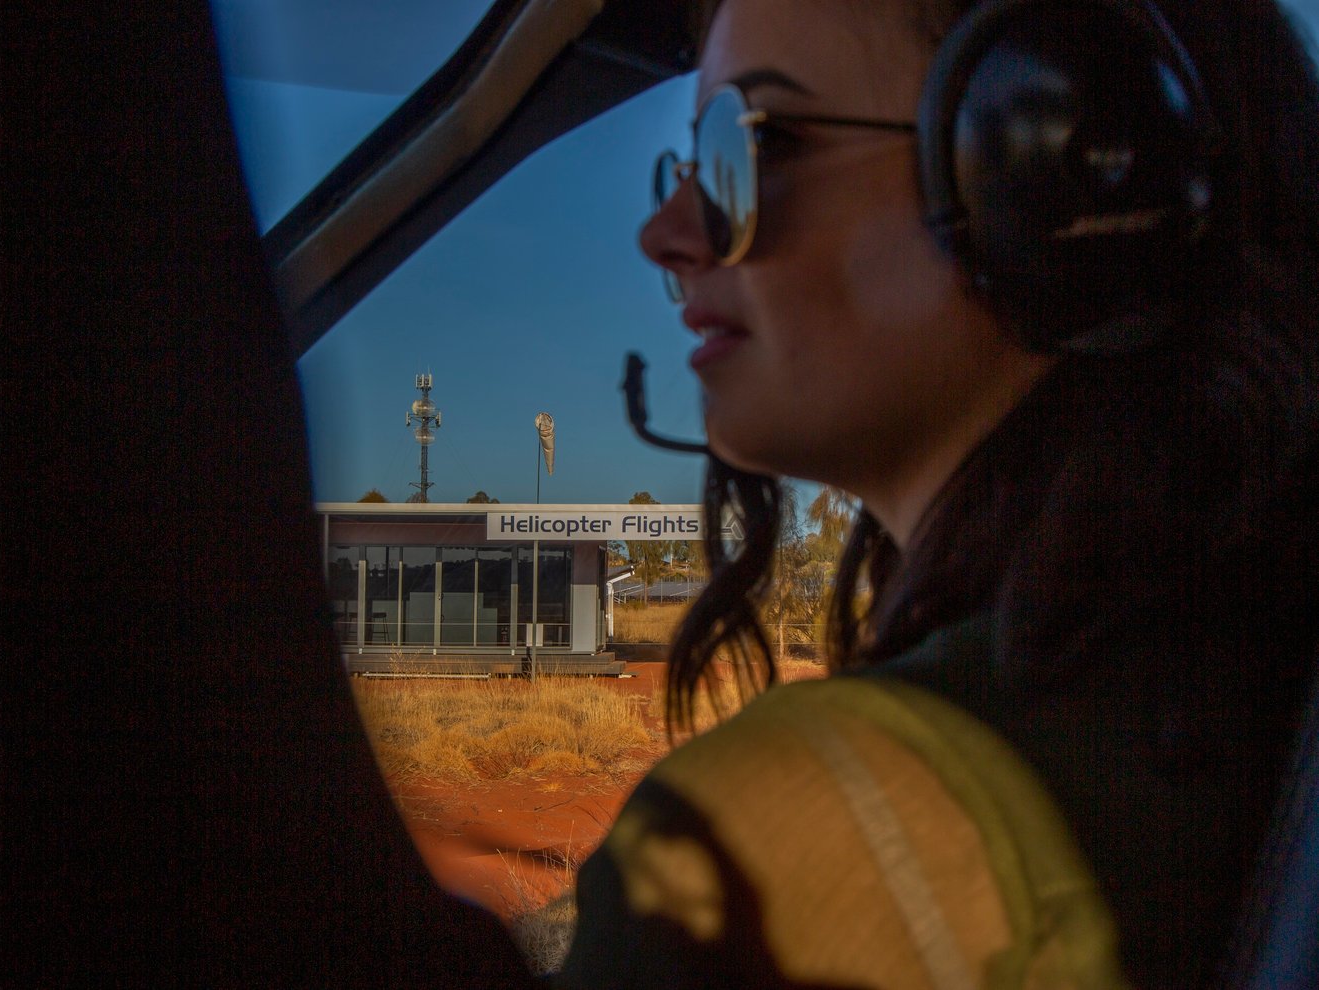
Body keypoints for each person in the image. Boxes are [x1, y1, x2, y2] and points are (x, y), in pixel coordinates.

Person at [556, 0, 1319, 987]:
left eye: (759, 142)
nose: (668, 231)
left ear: (1055, 171)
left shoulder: (798, 843)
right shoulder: (1248, 671)